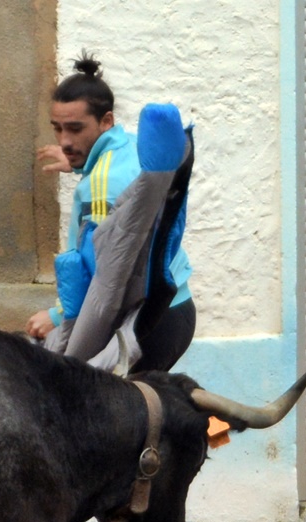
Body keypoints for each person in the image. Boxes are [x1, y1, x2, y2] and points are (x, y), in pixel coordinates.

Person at [26, 53, 196, 375]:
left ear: (106, 121)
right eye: (58, 129)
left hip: (141, 324)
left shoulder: (101, 187)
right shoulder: (128, 146)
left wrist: (57, 316)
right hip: (174, 309)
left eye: (75, 129)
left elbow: (105, 275)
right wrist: (80, 165)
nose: (64, 141)